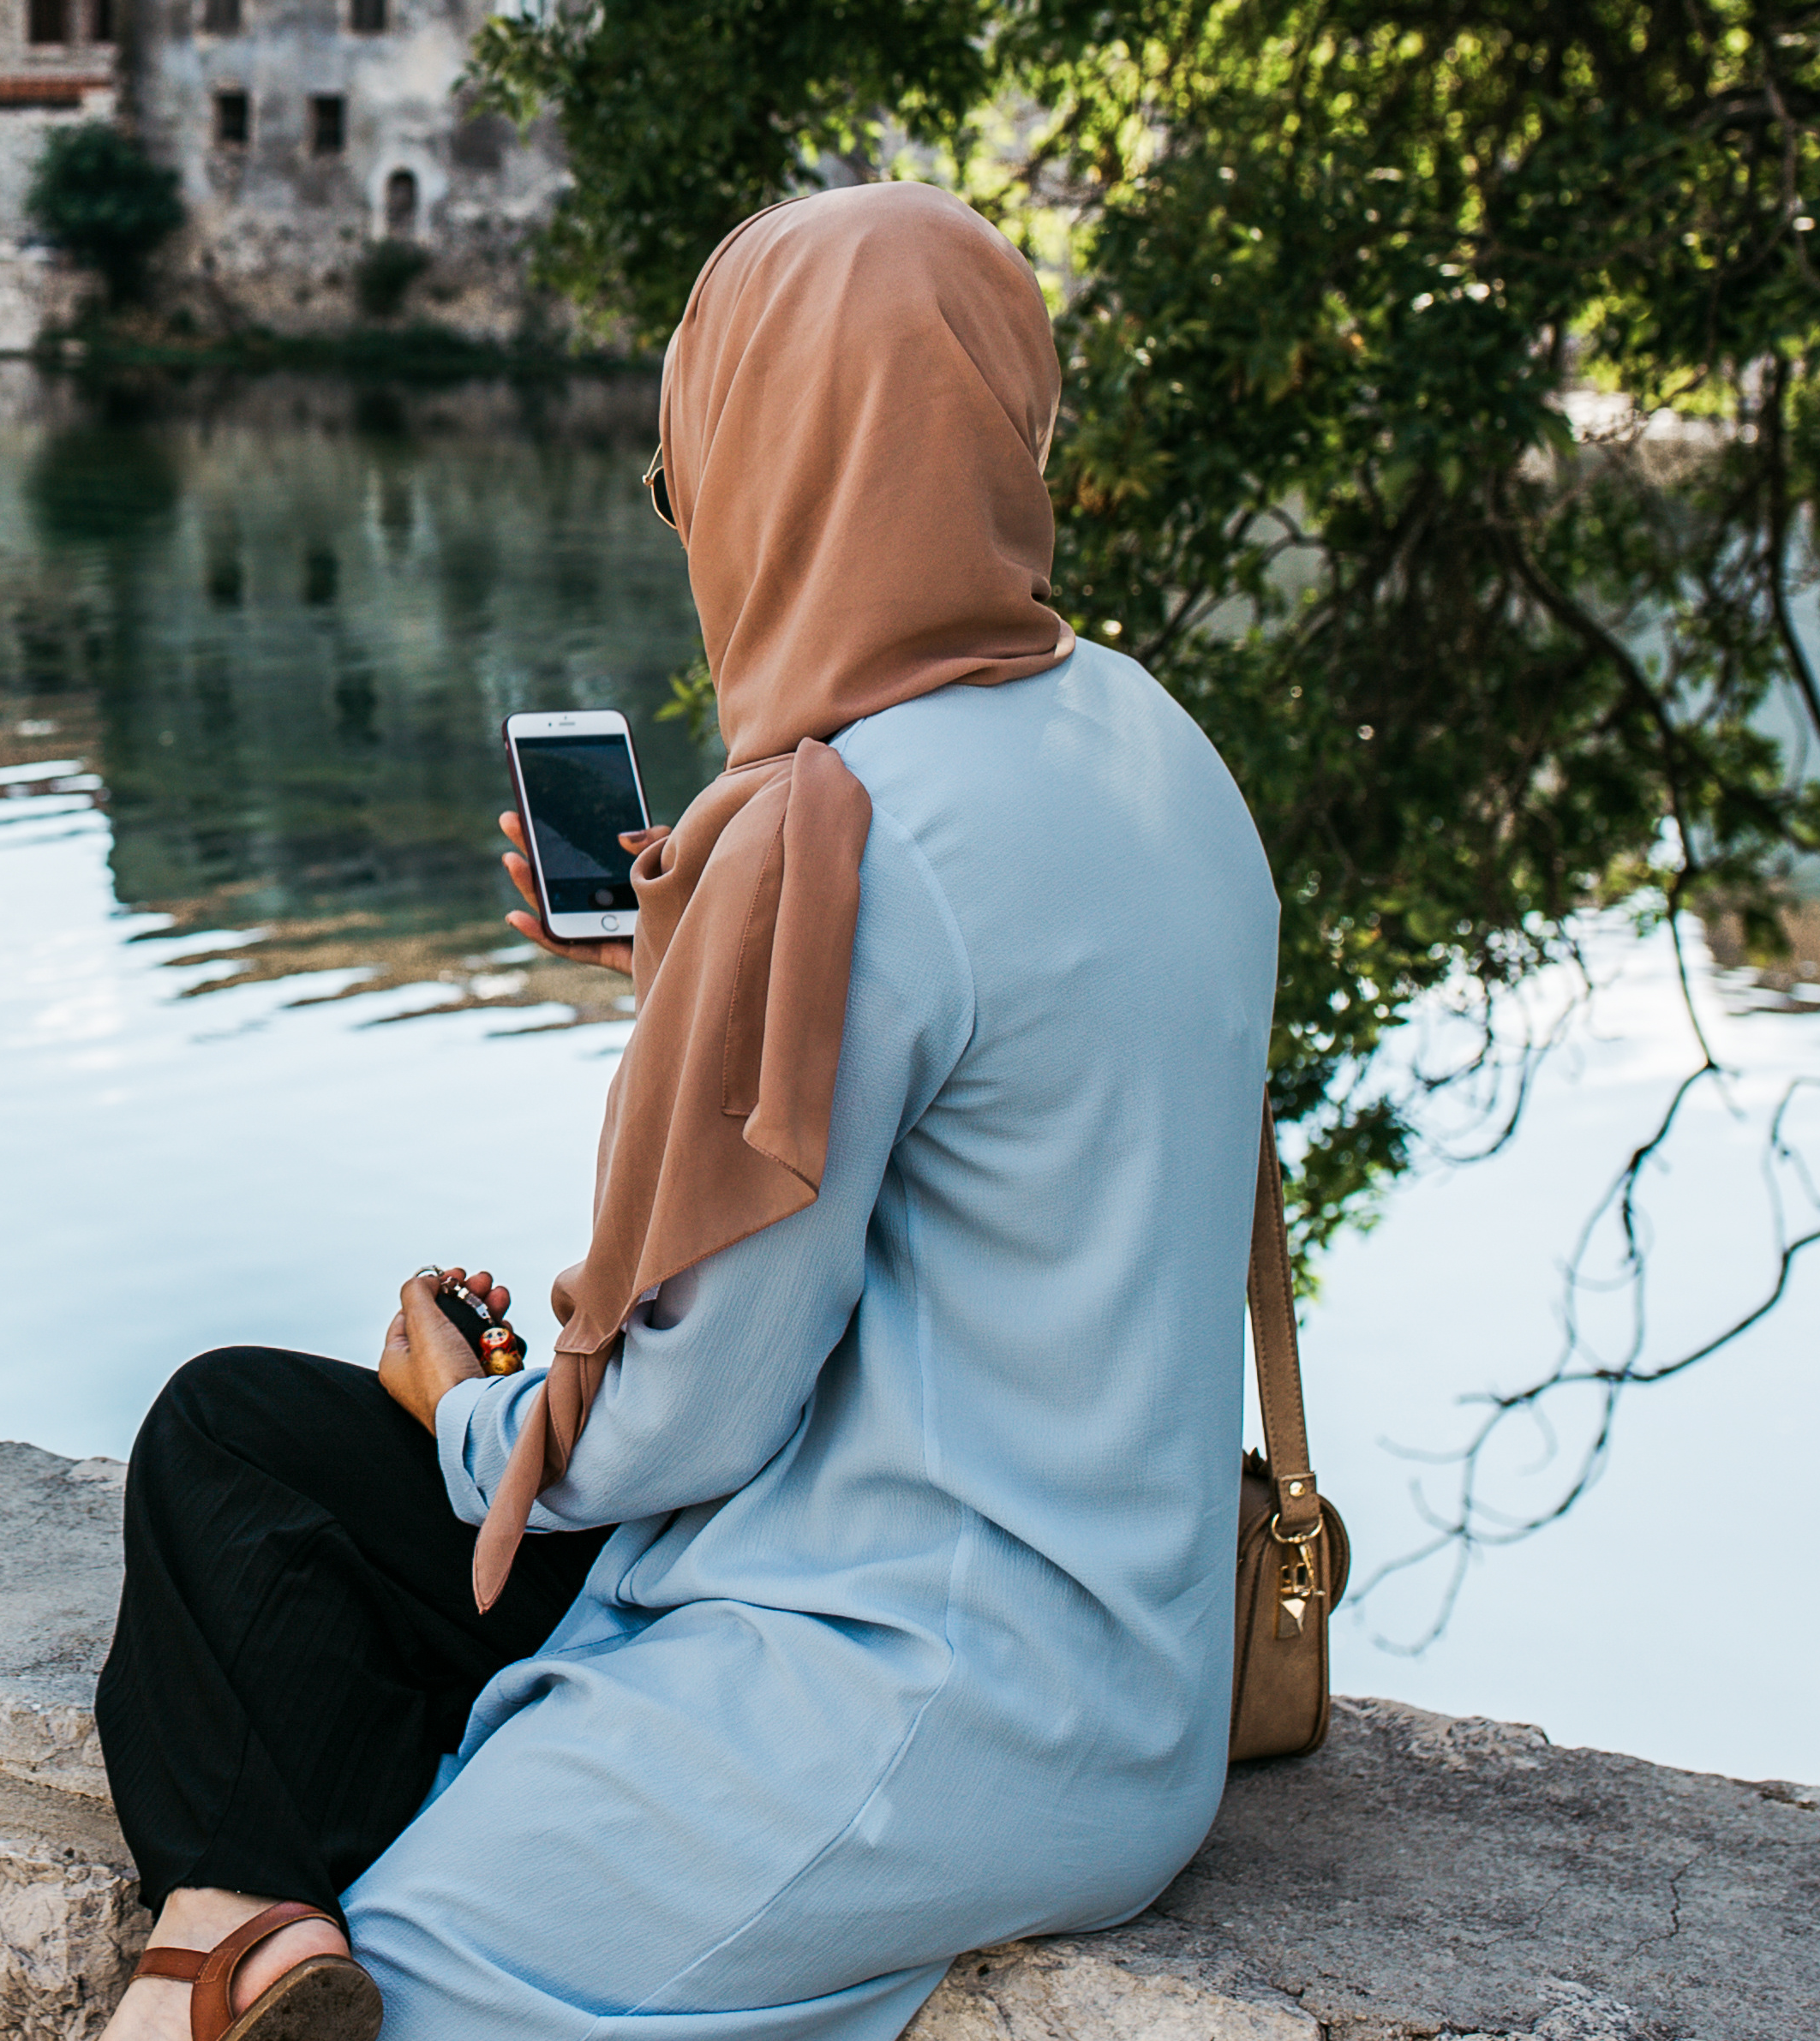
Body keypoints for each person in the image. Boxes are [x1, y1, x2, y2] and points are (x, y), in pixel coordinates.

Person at [88, 182, 1279, 2041]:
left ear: (776, 469)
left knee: (398, 1988)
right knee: (234, 1433)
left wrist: (468, 1418)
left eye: (690, 476)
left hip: (900, 1687)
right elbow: (1004, 1133)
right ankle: (250, 1909)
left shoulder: (845, 837)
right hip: (1130, 1664)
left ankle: (234, 1937)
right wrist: (701, 989)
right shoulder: (1153, 746)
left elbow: (696, 1417)